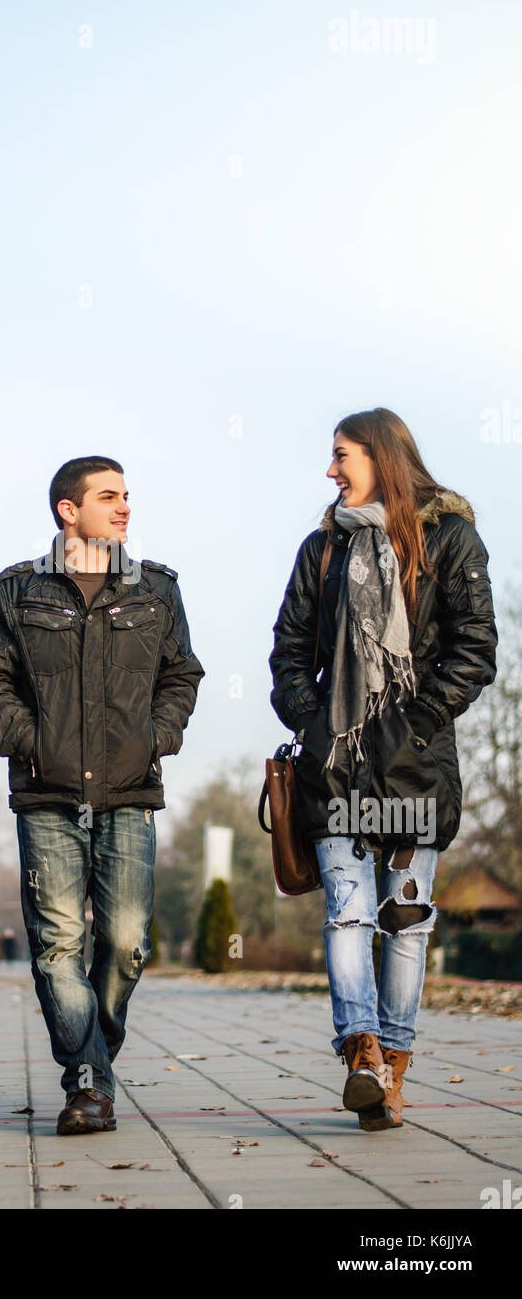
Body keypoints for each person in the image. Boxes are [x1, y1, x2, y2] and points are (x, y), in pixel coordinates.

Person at [269, 408, 497, 1130]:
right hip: (335, 768)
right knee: (348, 908)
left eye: (341, 455)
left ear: (382, 456)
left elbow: (474, 650)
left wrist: (413, 724)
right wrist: (316, 723)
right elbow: (288, 654)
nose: (331, 471)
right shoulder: (323, 552)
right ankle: (362, 1053)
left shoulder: (451, 540)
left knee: (405, 920)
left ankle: (392, 1072)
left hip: (414, 769)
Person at [0, 456, 203, 1134]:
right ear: (69, 510)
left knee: (127, 943)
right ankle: (87, 1081)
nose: (124, 506)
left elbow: (182, 674)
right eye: (108, 496)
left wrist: (158, 736)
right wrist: (28, 740)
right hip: (47, 797)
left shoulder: (156, 589)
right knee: (57, 946)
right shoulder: (19, 591)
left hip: (130, 793)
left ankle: (95, 1057)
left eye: (126, 495)